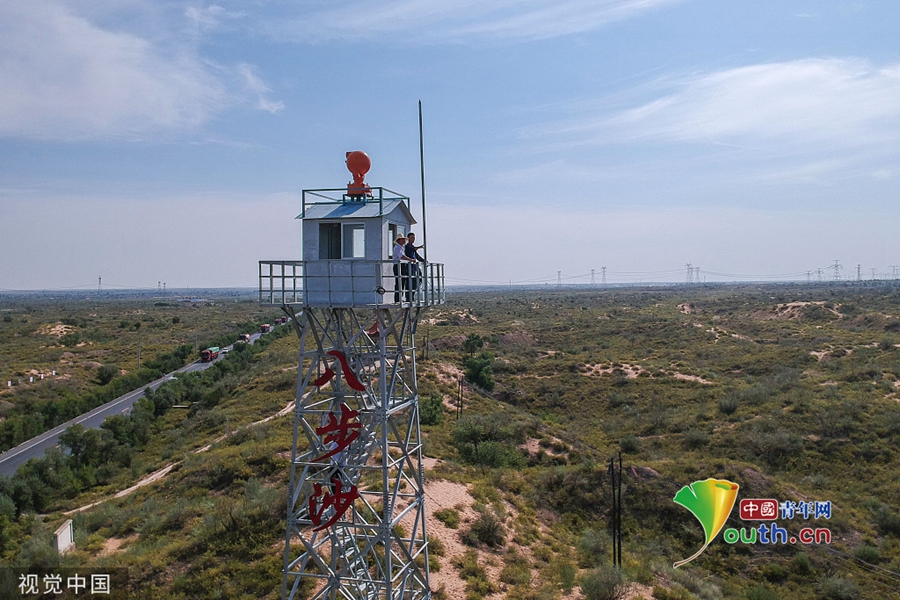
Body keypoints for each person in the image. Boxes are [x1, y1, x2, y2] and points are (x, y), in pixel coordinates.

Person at [392, 236, 415, 302]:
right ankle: (397, 299)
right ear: (399, 240)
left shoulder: (402, 247)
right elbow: (401, 256)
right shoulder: (397, 247)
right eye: (402, 239)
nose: (404, 241)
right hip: (398, 266)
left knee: (402, 282)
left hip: (402, 266)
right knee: (399, 282)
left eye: (404, 239)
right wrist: (411, 259)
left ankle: (400, 298)